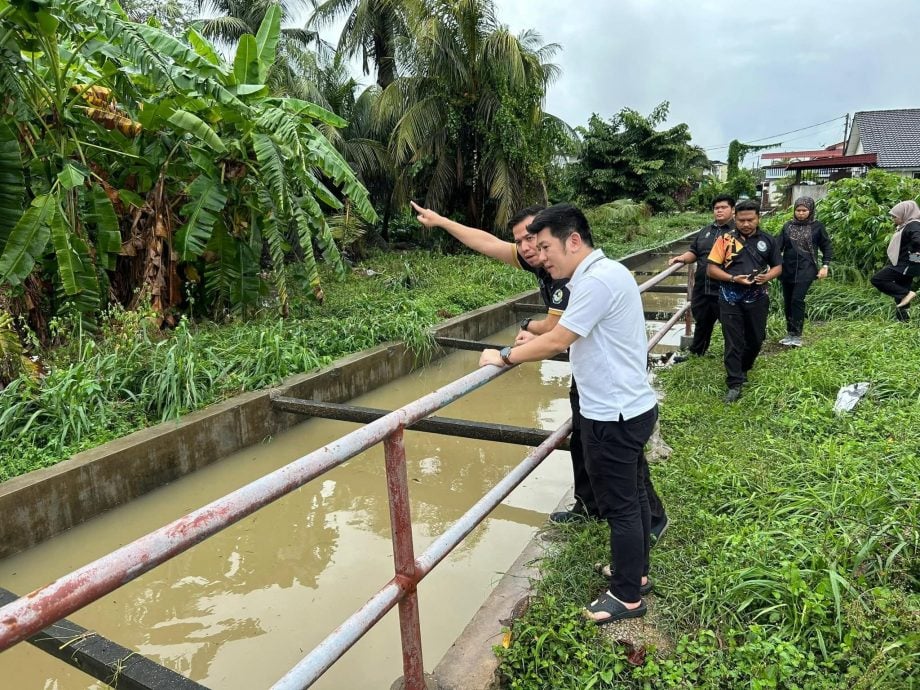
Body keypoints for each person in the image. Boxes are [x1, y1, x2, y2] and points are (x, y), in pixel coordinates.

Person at [411, 202, 668, 538]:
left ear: (561, 238)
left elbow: (556, 334)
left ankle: (646, 521)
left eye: (536, 240)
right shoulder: (551, 264)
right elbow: (488, 243)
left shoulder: (577, 277)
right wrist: (443, 220)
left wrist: (513, 346)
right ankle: (591, 506)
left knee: (618, 455)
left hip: (612, 385)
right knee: (586, 441)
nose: (528, 248)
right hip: (595, 373)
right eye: (520, 241)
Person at [480, 203, 658, 624]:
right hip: (628, 406)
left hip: (613, 414)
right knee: (632, 497)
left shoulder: (595, 282)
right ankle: (635, 573)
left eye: (545, 247)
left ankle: (627, 597)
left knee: (622, 507)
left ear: (573, 240)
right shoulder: (607, 273)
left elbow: (557, 340)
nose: (540, 257)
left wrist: (503, 355)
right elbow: (566, 334)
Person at [706, 200, 782, 403]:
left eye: (750, 220)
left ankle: (744, 368)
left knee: (756, 338)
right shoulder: (724, 240)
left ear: (758, 218)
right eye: (741, 220)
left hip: (758, 297)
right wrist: (733, 278)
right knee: (733, 341)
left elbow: (778, 266)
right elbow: (711, 269)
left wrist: (767, 277)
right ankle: (734, 383)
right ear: (735, 219)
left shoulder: (768, 240)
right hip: (729, 298)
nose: (746, 224)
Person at [668, 195, 735, 357]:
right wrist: (682, 258)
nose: (719, 211)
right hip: (703, 287)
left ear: (733, 210)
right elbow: (694, 252)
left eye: (723, 207)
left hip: (726, 288)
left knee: (731, 324)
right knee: (702, 321)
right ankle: (697, 353)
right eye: (716, 208)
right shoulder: (706, 231)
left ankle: (735, 356)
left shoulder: (737, 232)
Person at [777, 197, 832, 346]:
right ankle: (790, 333)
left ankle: (797, 335)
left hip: (806, 269)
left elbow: (826, 246)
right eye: (798, 210)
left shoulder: (817, 227)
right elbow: (778, 246)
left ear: (810, 210)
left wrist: (825, 266)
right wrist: (772, 264)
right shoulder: (787, 226)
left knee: (797, 299)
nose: (801, 213)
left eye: (804, 210)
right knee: (788, 301)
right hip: (787, 269)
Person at [870, 200, 920, 321]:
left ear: (904, 214)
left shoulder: (913, 224)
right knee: (901, 292)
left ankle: (907, 294)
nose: (893, 219)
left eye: (895, 217)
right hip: (907, 261)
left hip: (907, 263)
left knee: (878, 279)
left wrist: (915, 253)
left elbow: (918, 240)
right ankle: (903, 321)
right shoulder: (906, 225)